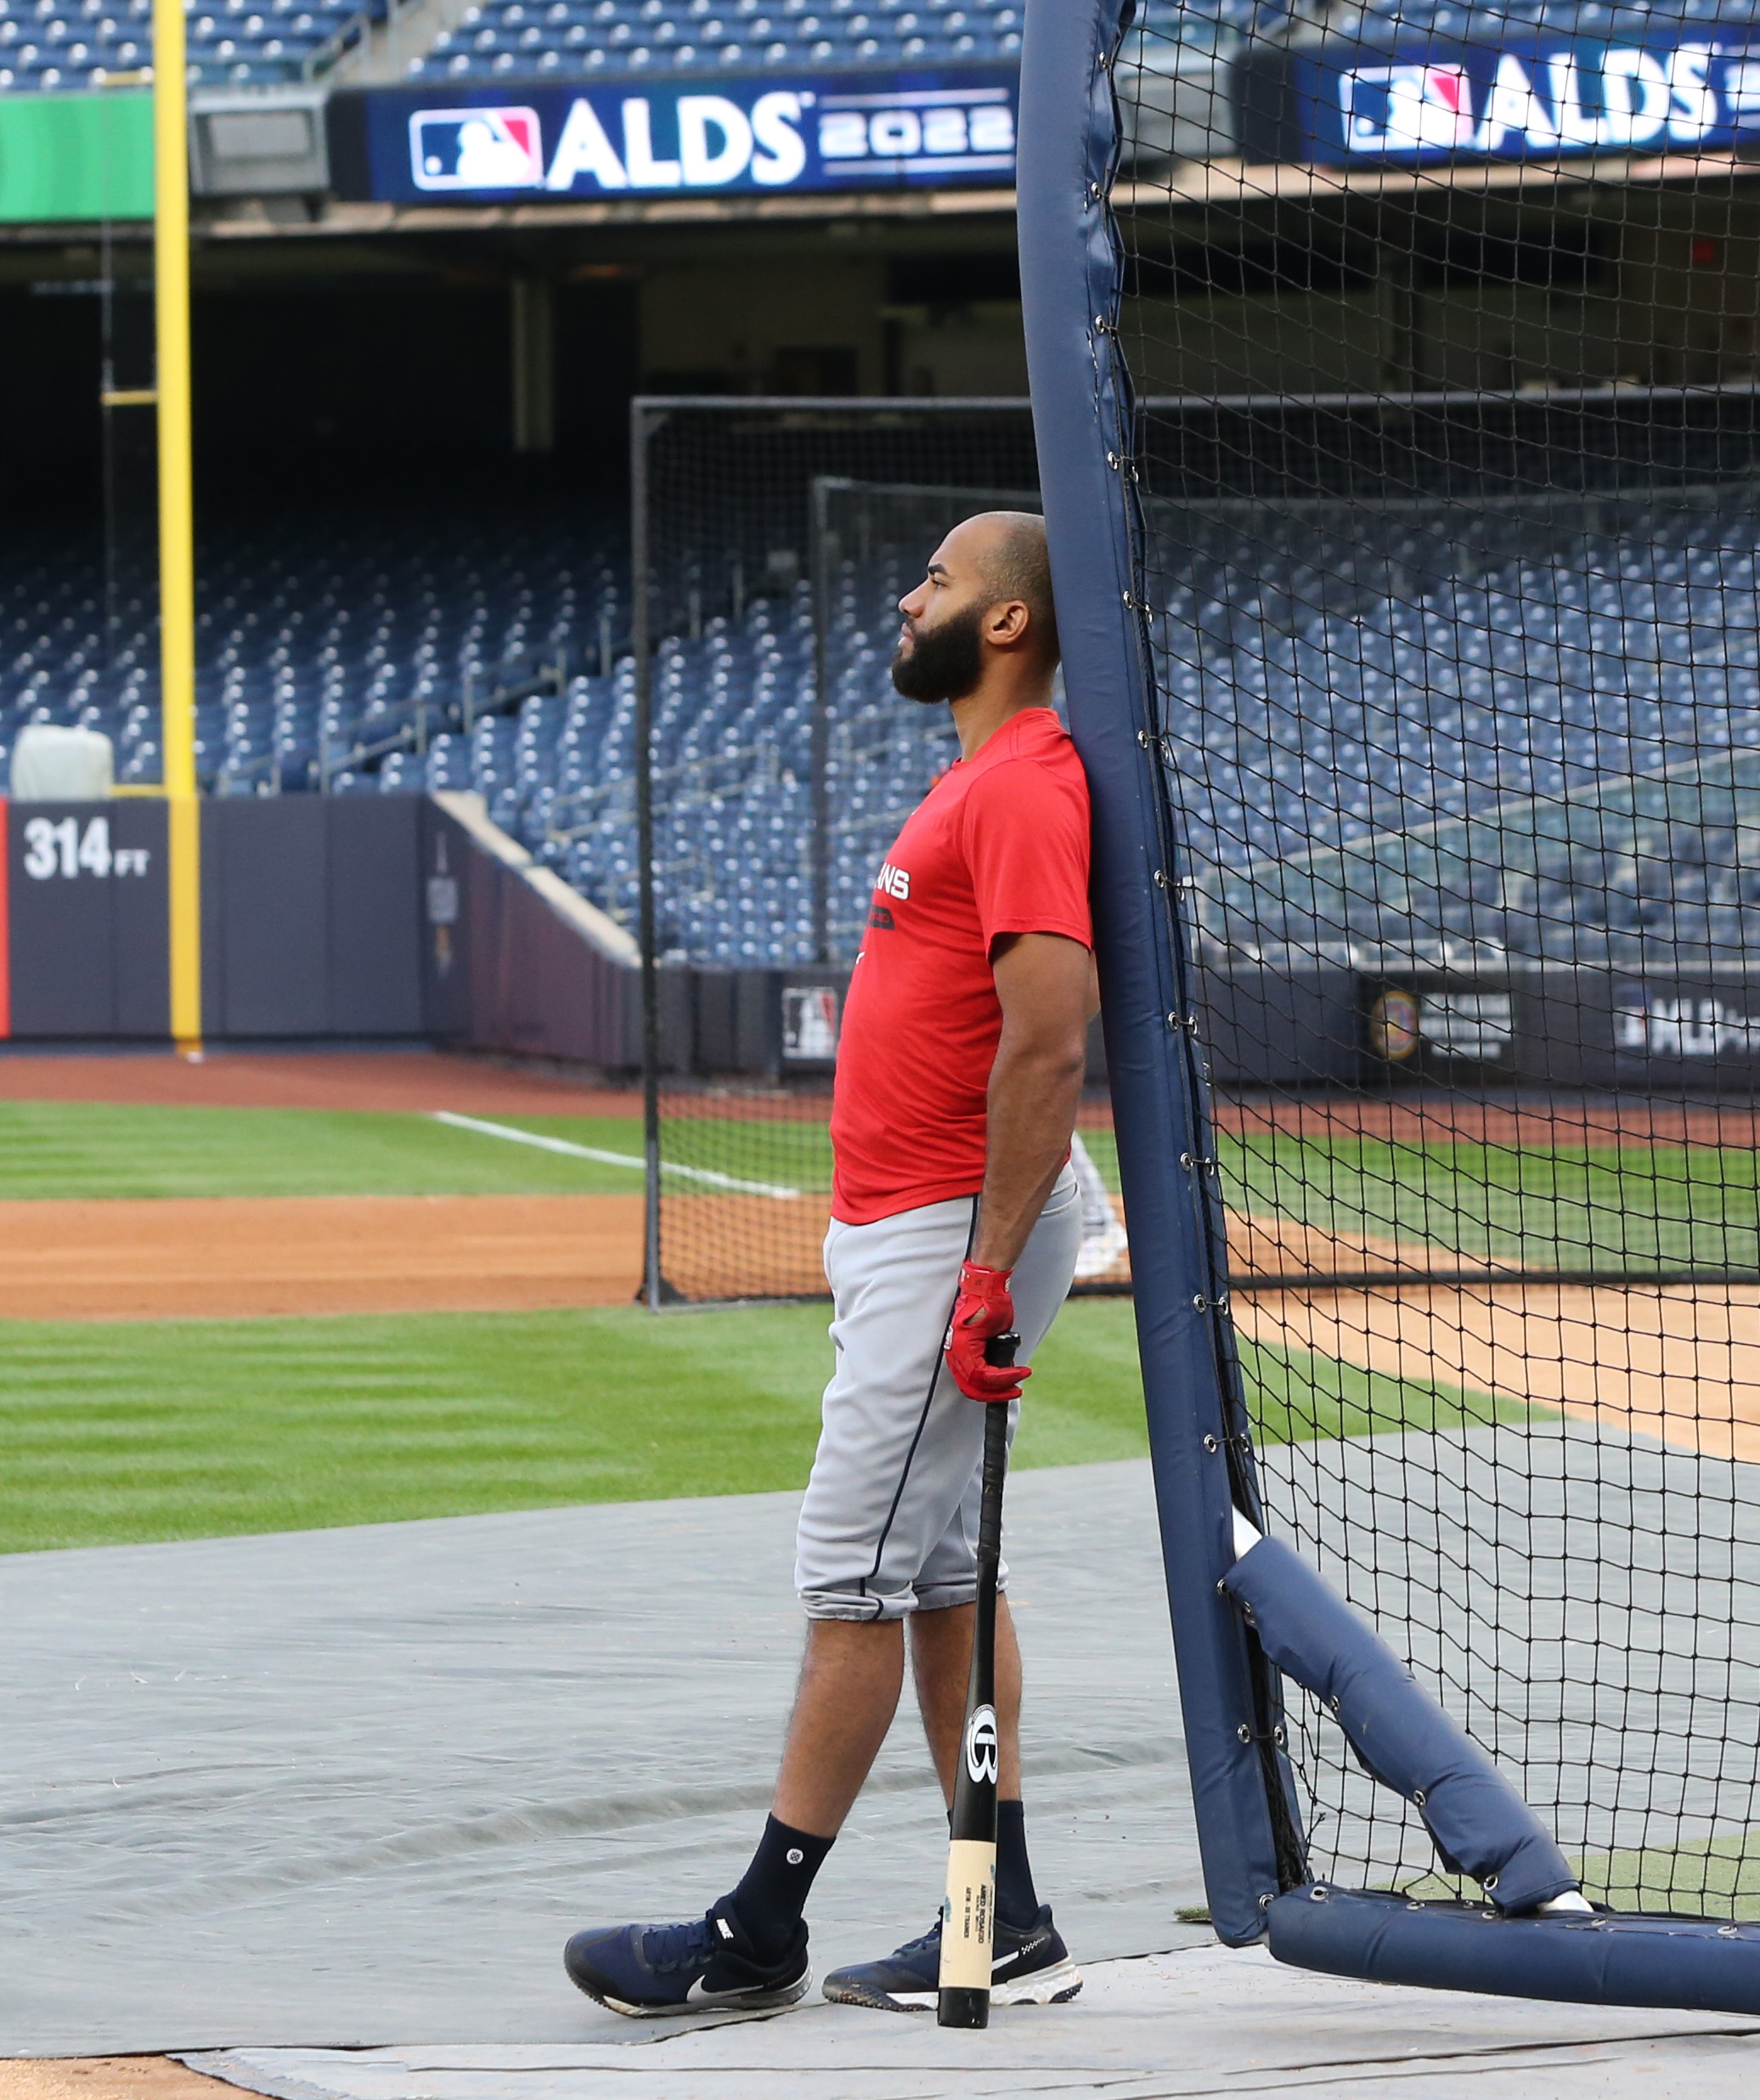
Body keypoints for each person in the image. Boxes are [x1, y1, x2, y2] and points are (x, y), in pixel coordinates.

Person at [565, 511, 1098, 2018]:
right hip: (924, 1224)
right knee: (928, 1571)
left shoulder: (1022, 784)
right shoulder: (982, 776)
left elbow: (1050, 1042)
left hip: (952, 1228)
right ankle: (1006, 1916)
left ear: (1002, 625)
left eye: (935, 578)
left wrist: (986, 1270)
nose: (908, 593)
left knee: (850, 1575)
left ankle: (754, 1937)